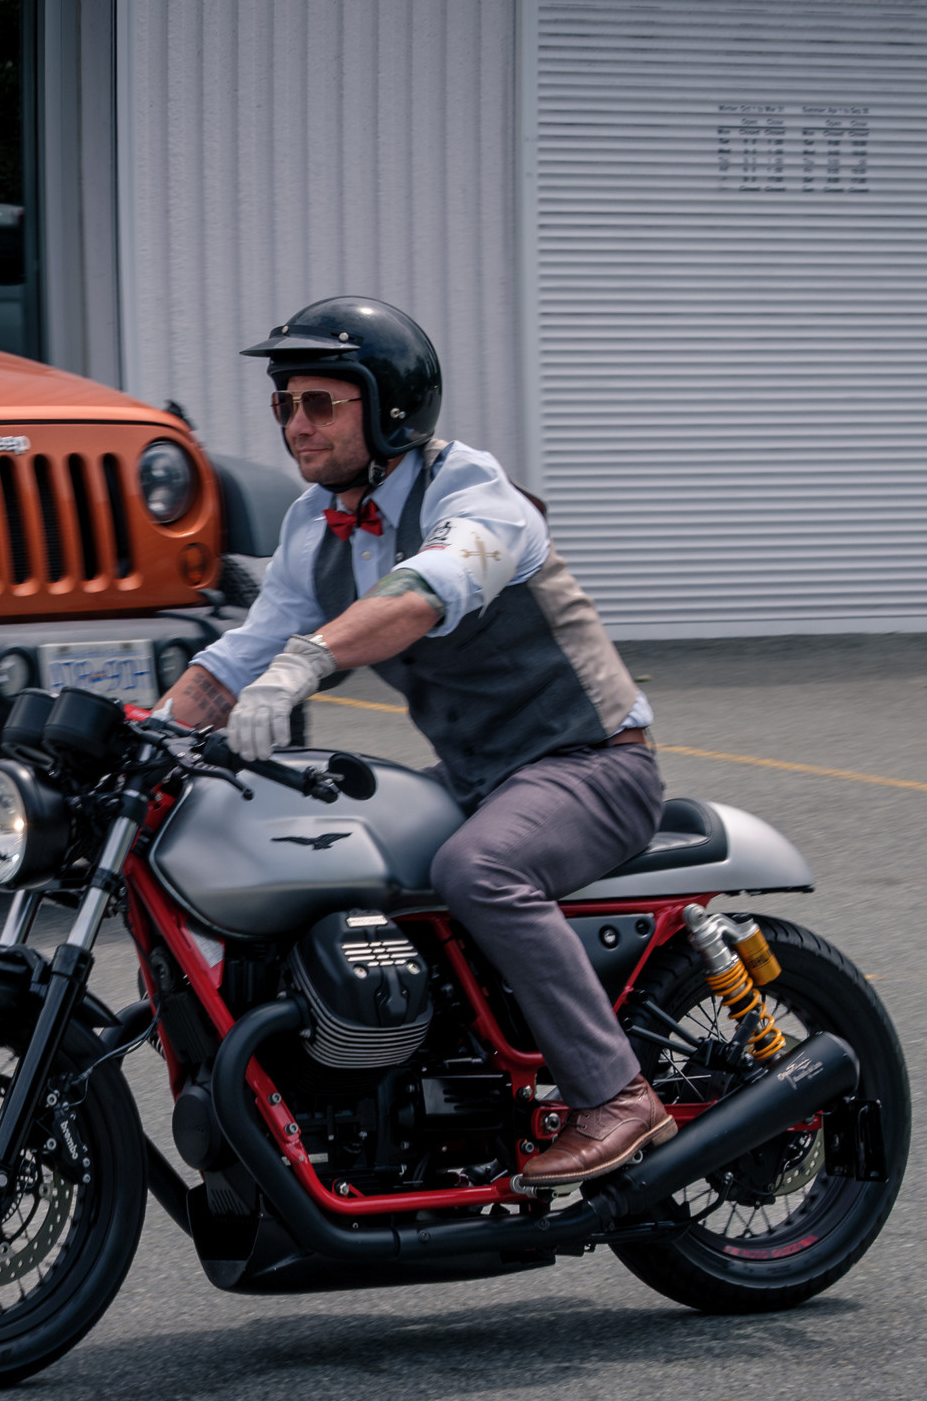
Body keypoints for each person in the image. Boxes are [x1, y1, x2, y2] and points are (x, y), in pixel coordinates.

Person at [156, 297, 671, 1188]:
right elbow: (241, 653)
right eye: (285, 403)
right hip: (480, 775)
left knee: (481, 871)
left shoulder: (473, 493)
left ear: (389, 405)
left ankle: (616, 1094)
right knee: (340, 862)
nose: (296, 425)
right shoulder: (313, 525)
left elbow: (425, 591)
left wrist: (306, 663)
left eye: (321, 403)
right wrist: (152, 734)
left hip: (591, 763)